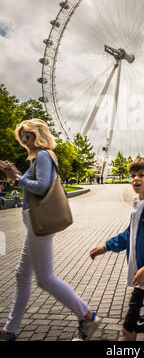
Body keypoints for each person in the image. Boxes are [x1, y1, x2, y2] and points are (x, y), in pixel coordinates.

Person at [0, 118, 100, 342]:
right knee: (22, 274)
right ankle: (9, 331)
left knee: (45, 279)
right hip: (34, 223)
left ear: (39, 134)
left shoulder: (44, 155)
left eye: (28, 136)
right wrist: (15, 172)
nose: (24, 141)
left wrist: (16, 178)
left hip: (40, 224)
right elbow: (30, 184)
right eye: (22, 137)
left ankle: (87, 315)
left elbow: (42, 187)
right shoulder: (37, 158)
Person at [90, 157, 144, 341]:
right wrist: (106, 247)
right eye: (132, 175)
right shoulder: (141, 204)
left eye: (141, 175)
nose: (135, 179)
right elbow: (130, 235)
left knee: (129, 329)